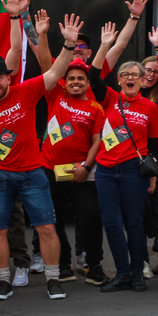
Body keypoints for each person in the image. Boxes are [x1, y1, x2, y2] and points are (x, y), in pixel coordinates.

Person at [0, 14, 83, 302]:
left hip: (32, 172)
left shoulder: (26, 91)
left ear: (8, 77)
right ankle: (3, 282)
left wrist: (69, 45)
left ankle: (53, 279)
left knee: (46, 227)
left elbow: (56, 73)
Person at [88, 57, 158, 293]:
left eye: (135, 75)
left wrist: (152, 177)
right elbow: (93, 76)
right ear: (118, 80)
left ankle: (138, 273)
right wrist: (104, 47)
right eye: (125, 75)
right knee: (111, 223)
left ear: (142, 81)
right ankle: (122, 274)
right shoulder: (110, 98)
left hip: (133, 171)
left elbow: (153, 146)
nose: (130, 78)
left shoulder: (150, 108)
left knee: (134, 223)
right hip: (106, 171)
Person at [41, 58, 107, 286]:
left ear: (88, 83)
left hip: (83, 172)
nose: (76, 82)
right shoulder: (55, 94)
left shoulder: (95, 108)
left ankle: (95, 266)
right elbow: (45, 61)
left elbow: (97, 140)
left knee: (91, 216)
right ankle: (62, 265)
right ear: (64, 82)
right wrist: (41, 34)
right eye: (71, 78)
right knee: (54, 220)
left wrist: (86, 167)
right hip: (51, 171)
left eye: (81, 78)